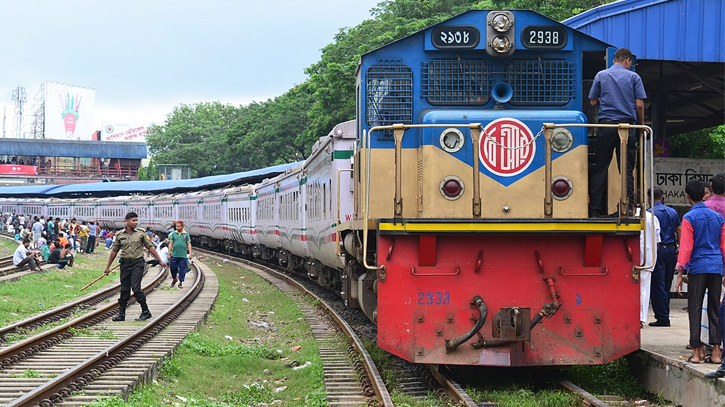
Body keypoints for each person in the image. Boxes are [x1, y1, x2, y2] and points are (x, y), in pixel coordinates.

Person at [588, 48, 646, 217]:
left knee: (600, 167)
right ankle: (627, 207)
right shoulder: (634, 77)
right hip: (627, 127)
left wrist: (605, 99)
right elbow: (640, 105)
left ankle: (594, 211)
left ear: (615, 60)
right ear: (627, 60)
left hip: (606, 126)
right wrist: (641, 126)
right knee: (626, 169)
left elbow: (592, 101)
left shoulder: (601, 75)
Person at [675, 180, 724, 365]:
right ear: (704, 195)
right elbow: (723, 246)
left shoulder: (689, 218)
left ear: (687, 196)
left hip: (697, 267)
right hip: (716, 265)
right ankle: (717, 353)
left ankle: (697, 353)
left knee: (695, 309)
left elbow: (686, 247)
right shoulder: (718, 218)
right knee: (714, 309)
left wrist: (680, 270)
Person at [104, 212, 167, 322]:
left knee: (136, 288)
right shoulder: (119, 235)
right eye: (133, 220)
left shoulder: (141, 234)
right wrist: (108, 266)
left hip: (137, 264)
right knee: (124, 289)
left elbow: (150, 247)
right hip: (125, 264)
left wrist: (160, 260)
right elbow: (114, 250)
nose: (135, 222)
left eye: (136, 220)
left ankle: (145, 312)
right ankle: (121, 314)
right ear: (127, 221)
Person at [648, 187, 681, 327]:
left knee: (657, 284)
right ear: (662, 197)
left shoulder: (649, 213)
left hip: (658, 250)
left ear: (649, 198)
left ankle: (662, 317)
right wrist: (679, 247)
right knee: (667, 283)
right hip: (671, 250)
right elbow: (678, 229)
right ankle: (664, 313)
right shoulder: (672, 211)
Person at [640, 210, 660, 327]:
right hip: (647, 257)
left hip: (630, 255)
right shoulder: (652, 218)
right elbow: (657, 241)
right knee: (644, 289)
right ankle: (641, 318)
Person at [168, 221, 192, 288]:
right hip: (174, 255)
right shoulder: (173, 234)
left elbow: (189, 244)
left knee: (182, 270)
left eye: (178, 226)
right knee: (173, 268)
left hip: (183, 255)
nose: (177, 228)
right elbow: (170, 244)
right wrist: (169, 254)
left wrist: (190, 253)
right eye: (176, 226)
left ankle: (181, 282)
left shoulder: (186, 234)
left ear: (182, 226)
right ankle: (174, 278)